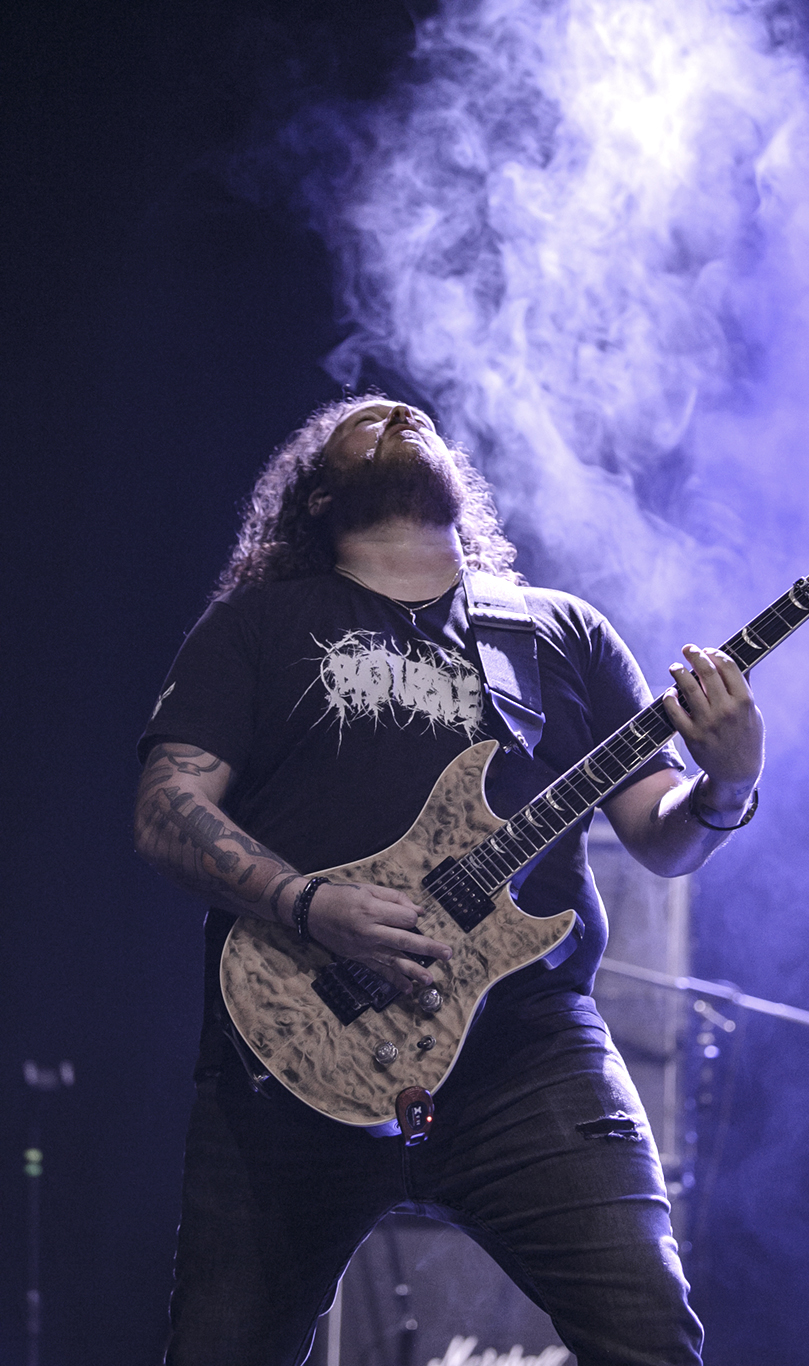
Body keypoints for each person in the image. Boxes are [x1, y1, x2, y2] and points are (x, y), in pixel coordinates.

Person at [134, 397, 764, 1366]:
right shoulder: (256, 626)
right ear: (317, 496)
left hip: (526, 1053)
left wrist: (726, 784)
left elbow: (659, 837)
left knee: (649, 1336)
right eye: (359, 417)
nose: (394, 408)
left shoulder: (558, 631)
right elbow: (166, 807)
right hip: (292, 1039)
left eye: (409, 413)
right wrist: (307, 903)